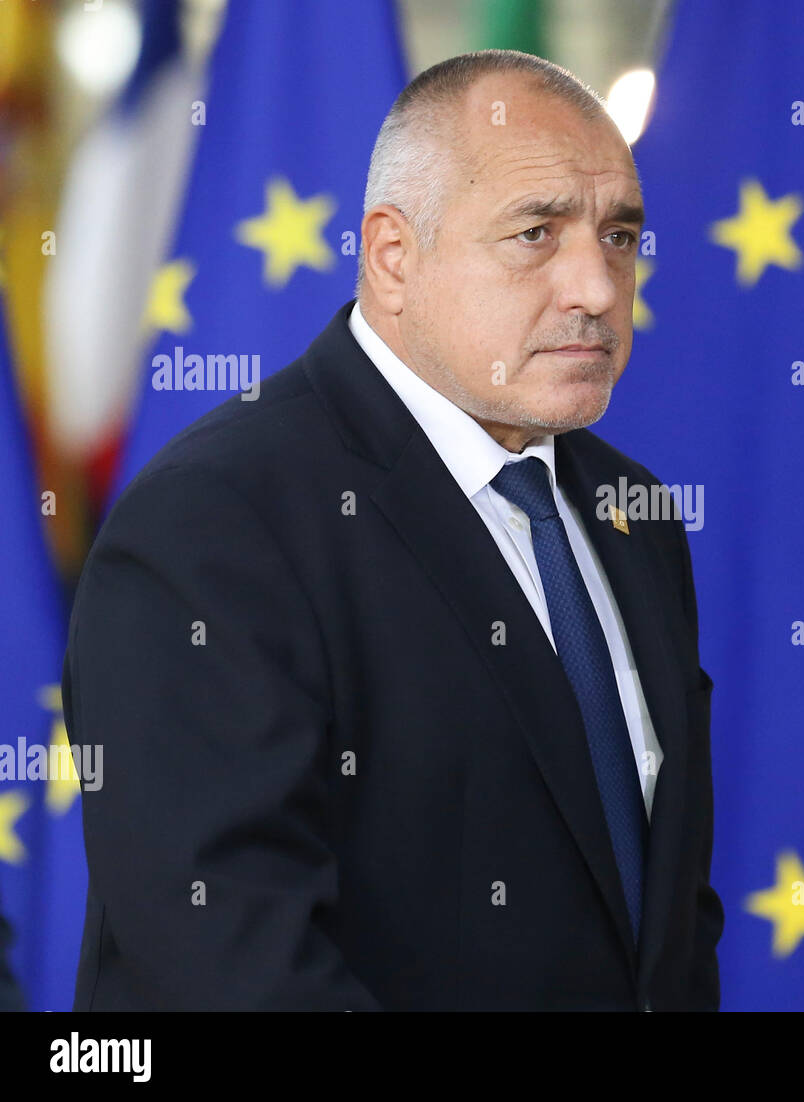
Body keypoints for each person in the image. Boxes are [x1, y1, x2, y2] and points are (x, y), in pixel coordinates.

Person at [64, 50, 722, 1011]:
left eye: (619, 236)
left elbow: (665, 930)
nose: (597, 287)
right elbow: (236, 971)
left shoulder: (634, 514)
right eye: (536, 232)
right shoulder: (213, 524)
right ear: (393, 258)